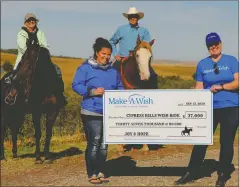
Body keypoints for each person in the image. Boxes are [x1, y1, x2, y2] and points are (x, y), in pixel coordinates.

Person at [175, 32, 239, 187]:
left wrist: (221, 87)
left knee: (226, 141)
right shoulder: (202, 64)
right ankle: (192, 171)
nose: (214, 47)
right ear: (207, 47)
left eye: (216, 43)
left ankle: (222, 175)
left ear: (220, 43)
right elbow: (199, 87)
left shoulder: (231, 60)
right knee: (201, 140)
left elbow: (238, 82)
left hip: (230, 106)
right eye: (210, 45)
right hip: (208, 108)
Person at [72, 37, 124, 184]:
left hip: (109, 113)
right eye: (103, 53)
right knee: (94, 143)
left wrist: (118, 96)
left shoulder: (113, 71)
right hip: (91, 111)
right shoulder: (85, 68)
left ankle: (101, 171)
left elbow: (120, 87)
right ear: (96, 52)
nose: (106, 57)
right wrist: (92, 92)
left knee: (103, 145)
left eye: (109, 54)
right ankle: (92, 173)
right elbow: (76, 85)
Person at [6, 13, 67, 107]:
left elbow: (45, 45)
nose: (31, 21)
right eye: (29, 20)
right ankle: (12, 93)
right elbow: (22, 47)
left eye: (33, 20)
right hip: (26, 59)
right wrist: (33, 50)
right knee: (19, 75)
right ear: (26, 22)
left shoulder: (40, 32)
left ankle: (60, 94)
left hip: (40, 59)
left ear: (35, 21)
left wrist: (41, 52)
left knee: (56, 70)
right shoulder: (21, 33)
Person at [109, 7, 157, 77]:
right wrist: (115, 54)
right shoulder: (121, 29)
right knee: (111, 74)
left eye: (134, 16)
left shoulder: (144, 31)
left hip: (139, 60)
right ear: (128, 18)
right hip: (122, 59)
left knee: (153, 76)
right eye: (130, 16)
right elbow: (112, 42)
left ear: (138, 18)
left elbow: (146, 46)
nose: (132, 18)